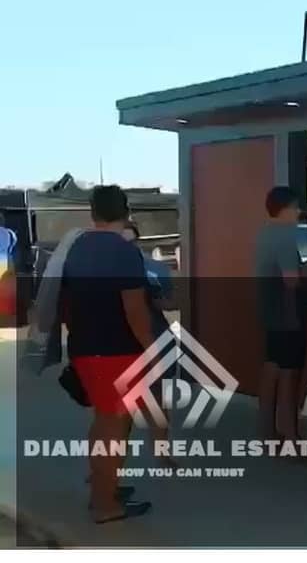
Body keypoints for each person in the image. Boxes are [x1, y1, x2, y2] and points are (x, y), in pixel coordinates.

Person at [62, 185, 153, 523]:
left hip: (84, 348)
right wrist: (152, 348)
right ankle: (104, 504)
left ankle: (104, 488)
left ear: (93, 212)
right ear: (126, 211)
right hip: (117, 351)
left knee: (103, 421)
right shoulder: (124, 252)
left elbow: (66, 302)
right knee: (114, 426)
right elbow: (135, 310)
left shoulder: (77, 247)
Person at [122, 222, 178, 468]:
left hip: (154, 338)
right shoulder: (106, 270)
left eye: (131, 241)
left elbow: (172, 302)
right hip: (122, 343)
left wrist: (155, 301)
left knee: (158, 400)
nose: (128, 246)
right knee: (118, 409)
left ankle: (162, 454)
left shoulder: (155, 268)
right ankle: (107, 465)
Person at [255, 186, 307, 440]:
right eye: (295, 207)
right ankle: (291, 438)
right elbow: (291, 281)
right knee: (289, 373)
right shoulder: (287, 235)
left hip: (270, 312)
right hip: (289, 314)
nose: (299, 212)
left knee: (271, 367)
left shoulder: (264, 233)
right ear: (285, 208)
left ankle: (266, 431)